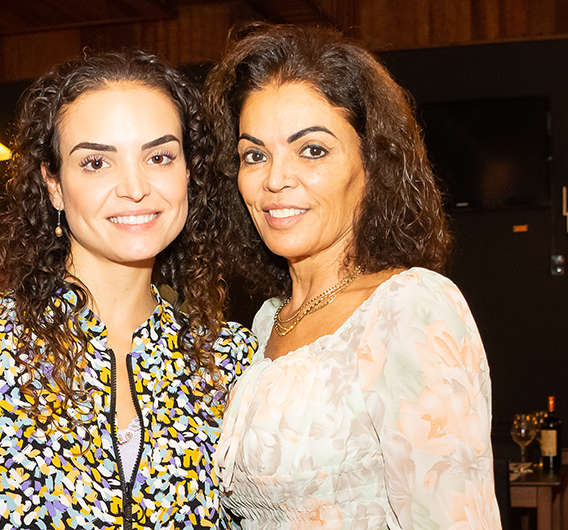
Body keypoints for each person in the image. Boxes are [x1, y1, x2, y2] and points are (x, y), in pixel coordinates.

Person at [0, 50, 256, 529]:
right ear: (54, 184)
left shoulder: (229, 360)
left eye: (159, 157)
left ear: (189, 171)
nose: (135, 188)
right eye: (96, 162)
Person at [205, 24, 501, 529]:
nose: (275, 179)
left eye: (312, 150)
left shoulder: (409, 308)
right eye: (255, 155)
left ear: (372, 163)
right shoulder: (267, 324)